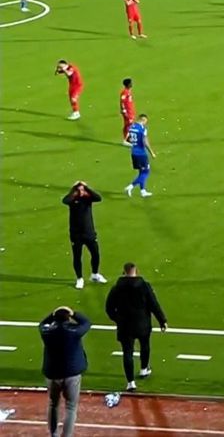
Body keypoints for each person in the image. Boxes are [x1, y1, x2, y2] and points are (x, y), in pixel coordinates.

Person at [106, 263, 168, 391]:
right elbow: (153, 304)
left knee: (127, 352)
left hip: (124, 325)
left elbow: (109, 307)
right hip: (142, 323)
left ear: (123, 272)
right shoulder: (144, 286)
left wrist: (117, 319)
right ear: (137, 271)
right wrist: (162, 320)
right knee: (145, 345)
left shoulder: (117, 288)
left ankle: (130, 382)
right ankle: (144, 369)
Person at [40, 306, 91, 437]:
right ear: (68, 318)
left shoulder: (46, 331)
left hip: (52, 374)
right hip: (72, 374)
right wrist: (74, 313)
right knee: (71, 407)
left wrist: (53, 314)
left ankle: (54, 434)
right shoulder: (74, 331)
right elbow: (86, 322)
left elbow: (42, 324)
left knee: (53, 404)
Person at [62, 181, 106, 290]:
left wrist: (86, 187)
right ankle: (79, 278)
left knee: (95, 254)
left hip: (89, 233)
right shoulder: (72, 200)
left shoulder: (88, 199)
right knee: (77, 257)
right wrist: (74, 190)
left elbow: (98, 197)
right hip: (76, 235)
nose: (81, 192)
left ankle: (95, 274)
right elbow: (65, 200)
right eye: (79, 190)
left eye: (83, 190)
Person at [124, 114, 157, 198]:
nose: (146, 123)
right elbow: (145, 142)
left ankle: (143, 191)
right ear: (143, 120)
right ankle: (130, 186)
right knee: (146, 172)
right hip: (141, 154)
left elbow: (128, 139)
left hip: (133, 153)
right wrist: (151, 152)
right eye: (145, 121)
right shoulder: (142, 129)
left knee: (141, 172)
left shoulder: (132, 127)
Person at [120, 78, 136, 145]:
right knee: (128, 125)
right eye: (131, 83)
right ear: (128, 84)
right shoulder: (125, 92)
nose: (132, 84)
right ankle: (125, 140)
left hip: (130, 111)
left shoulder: (128, 91)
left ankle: (129, 139)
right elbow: (122, 102)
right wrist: (124, 110)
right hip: (127, 112)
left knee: (129, 124)